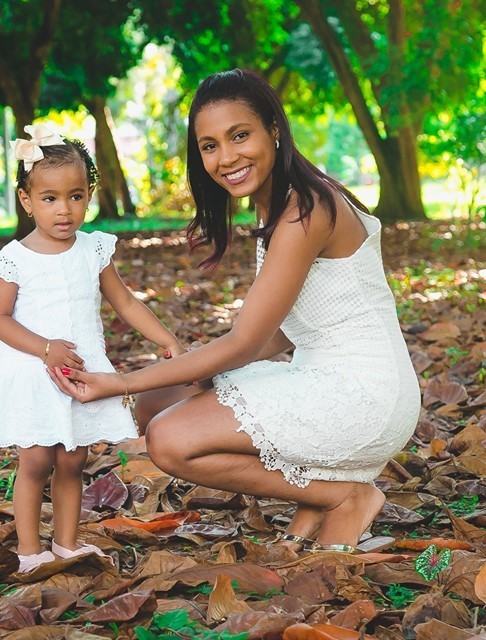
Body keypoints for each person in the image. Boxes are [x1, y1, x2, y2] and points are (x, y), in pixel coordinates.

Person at [49, 69, 421, 553]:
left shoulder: (306, 208)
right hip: (321, 374)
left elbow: (246, 341)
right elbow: (282, 332)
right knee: (156, 402)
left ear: (274, 128)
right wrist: (195, 371)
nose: (226, 158)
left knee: (169, 439)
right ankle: (318, 495)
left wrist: (120, 381)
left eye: (239, 135)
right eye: (210, 146)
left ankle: (341, 496)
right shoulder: (279, 203)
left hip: (366, 395)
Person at [0, 125, 184, 573]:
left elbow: (125, 302)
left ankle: (67, 542)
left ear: (89, 195)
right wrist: (45, 348)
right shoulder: (15, 259)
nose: (64, 209)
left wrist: (166, 339)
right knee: (36, 461)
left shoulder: (93, 250)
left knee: (73, 460)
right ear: (26, 200)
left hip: (80, 375)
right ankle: (29, 550)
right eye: (49, 198)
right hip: (35, 374)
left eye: (75, 196)